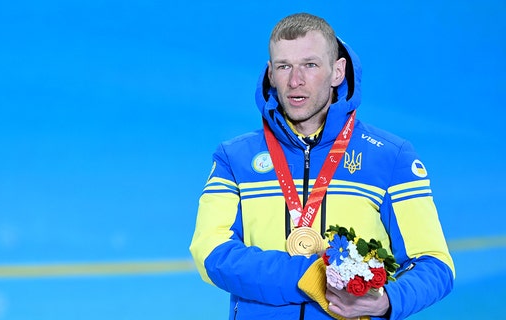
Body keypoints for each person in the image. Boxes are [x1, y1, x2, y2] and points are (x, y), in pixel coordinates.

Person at [189, 12, 454, 320]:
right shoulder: (233, 157)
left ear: (337, 71)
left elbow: (435, 264)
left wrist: (387, 300)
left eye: (310, 65)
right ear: (270, 74)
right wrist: (311, 276)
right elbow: (210, 252)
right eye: (284, 66)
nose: (295, 80)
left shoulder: (391, 157)